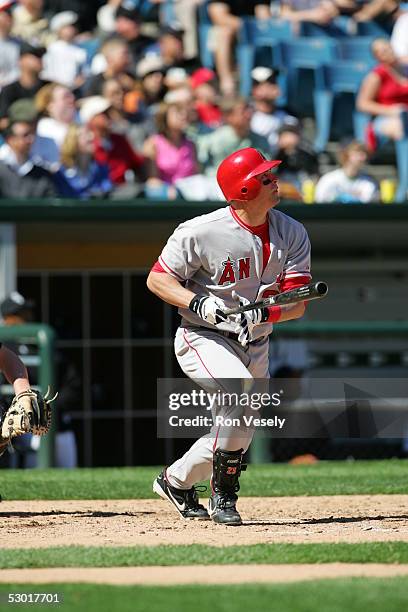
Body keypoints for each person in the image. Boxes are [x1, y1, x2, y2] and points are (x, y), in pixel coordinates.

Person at [147, 147, 312, 525]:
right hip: (202, 335)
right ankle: (223, 496)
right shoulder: (200, 231)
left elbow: (299, 304)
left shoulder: (293, 232)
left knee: (239, 430)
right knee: (238, 396)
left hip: (256, 340)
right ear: (242, 192)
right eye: (264, 178)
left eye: (271, 176)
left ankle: (176, 480)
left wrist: (265, 311)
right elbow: (157, 279)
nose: (274, 182)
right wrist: (199, 302)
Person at [207, 0, 271, 97]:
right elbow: (218, 17)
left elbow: (264, 19)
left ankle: (262, 83)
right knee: (223, 33)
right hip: (231, 30)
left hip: (253, 34)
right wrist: (245, 26)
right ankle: (226, 83)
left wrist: (253, 27)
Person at [195, 97, 271, 176]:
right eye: (243, 111)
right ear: (229, 117)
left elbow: (267, 168)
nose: (249, 114)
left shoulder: (260, 140)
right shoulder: (216, 140)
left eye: (249, 109)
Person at [356, 38, 408, 144]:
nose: (389, 52)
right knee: (400, 125)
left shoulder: (404, 67)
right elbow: (362, 104)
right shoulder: (375, 76)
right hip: (387, 118)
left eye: (389, 47)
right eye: (383, 51)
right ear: (377, 56)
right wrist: (391, 110)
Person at [143, 101, 198, 198]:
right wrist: (169, 190)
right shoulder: (153, 144)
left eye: (183, 113)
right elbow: (152, 180)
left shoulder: (191, 144)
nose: (183, 116)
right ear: (164, 118)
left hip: (189, 192)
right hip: (164, 194)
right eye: (177, 113)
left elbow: (196, 174)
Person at [0, 118, 58, 197]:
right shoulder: (2, 170)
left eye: (31, 134)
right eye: (25, 135)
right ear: (10, 139)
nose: (30, 139)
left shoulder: (42, 174)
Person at [56, 124, 113, 199]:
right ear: (73, 140)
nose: (91, 137)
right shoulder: (61, 173)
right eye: (85, 134)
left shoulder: (101, 169)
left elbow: (106, 190)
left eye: (90, 132)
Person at [0, 41, 47, 128]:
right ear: (21, 61)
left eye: (41, 56)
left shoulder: (49, 87)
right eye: (35, 55)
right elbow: (3, 122)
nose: (40, 59)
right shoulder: (9, 90)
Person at [41, 11, 87, 89]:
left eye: (72, 26)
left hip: (77, 89)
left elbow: (85, 71)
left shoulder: (80, 49)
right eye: (67, 27)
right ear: (59, 30)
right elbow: (47, 74)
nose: (71, 29)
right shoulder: (52, 48)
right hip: (56, 89)